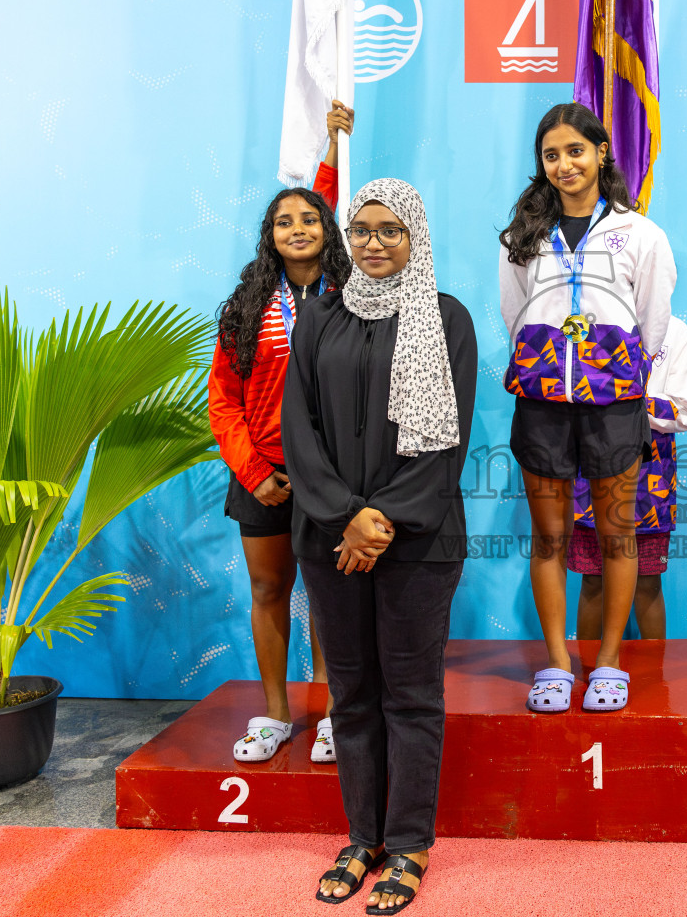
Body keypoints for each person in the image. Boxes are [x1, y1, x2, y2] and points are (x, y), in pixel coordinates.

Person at [283, 178, 476, 911]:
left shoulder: (446, 318)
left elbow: (446, 439)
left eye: (389, 230)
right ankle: (362, 836)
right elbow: (299, 433)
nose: (372, 242)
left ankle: (409, 845)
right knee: (352, 695)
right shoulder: (319, 319)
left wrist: (382, 519)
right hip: (330, 541)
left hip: (417, 543)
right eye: (361, 229)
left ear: (415, 236)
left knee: (413, 696)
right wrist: (344, 518)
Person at [499, 102, 676, 714]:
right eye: (552, 154)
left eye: (576, 150)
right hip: (542, 401)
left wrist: (610, 371)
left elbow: (653, 324)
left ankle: (607, 661)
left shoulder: (641, 234)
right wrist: (551, 366)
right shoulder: (523, 236)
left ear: (601, 152)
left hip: (614, 403)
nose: (565, 164)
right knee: (548, 538)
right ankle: (554, 662)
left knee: (616, 535)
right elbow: (514, 311)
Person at [209, 102, 352, 763]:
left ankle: (327, 714)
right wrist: (254, 472)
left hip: (329, 478)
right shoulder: (245, 308)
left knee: (327, 595)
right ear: (269, 237)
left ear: (326, 230)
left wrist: (332, 143)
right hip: (263, 476)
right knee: (270, 593)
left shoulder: (348, 297)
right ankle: (273, 715)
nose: (297, 227)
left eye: (307, 219)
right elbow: (223, 404)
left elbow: (325, 193)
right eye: (282, 221)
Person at [571, 316, 687, 640]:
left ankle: (654, 678)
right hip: (594, 461)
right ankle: (588, 673)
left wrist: (620, 400)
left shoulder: (674, 330)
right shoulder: (585, 326)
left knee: (648, 581)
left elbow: (683, 411)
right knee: (594, 579)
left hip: (651, 476)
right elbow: (573, 395)